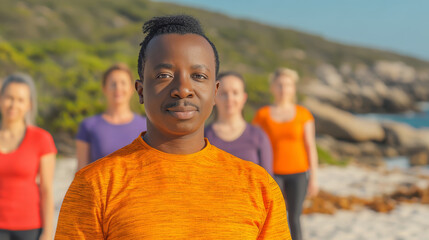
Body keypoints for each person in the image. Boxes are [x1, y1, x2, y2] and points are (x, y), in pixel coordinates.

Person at [55, 15, 291, 239]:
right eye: (164, 75)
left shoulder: (259, 186)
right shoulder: (95, 184)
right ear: (140, 91)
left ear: (215, 92)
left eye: (198, 76)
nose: (183, 88)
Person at [253, 67, 319, 240]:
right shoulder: (262, 115)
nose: (283, 89)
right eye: (279, 85)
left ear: (293, 88)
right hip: (272, 174)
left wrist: (314, 178)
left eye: (288, 85)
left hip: (299, 174)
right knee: (274, 218)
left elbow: (310, 146)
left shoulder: (303, 114)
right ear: (272, 88)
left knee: (295, 218)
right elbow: (254, 146)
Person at [0, 73, 57, 240]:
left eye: (20, 100)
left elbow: (47, 190)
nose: (13, 104)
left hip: (30, 228)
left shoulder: (42, 139)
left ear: (29, 105)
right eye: (9, 97)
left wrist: (47, 233)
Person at [75, 63, 147, 170]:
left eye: (123, 83)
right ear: (104, 88)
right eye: (113, 84)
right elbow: (81, 172)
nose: (118, 88)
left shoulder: (146, 125)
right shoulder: (89, 126)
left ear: (133, 88)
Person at [205, 72, 273, 175]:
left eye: (235, 93)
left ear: (244, 98)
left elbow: (269, 182)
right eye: (223, 93)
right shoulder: (203, 137)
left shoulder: (258, 136)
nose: (229, 98)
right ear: (214, 97)